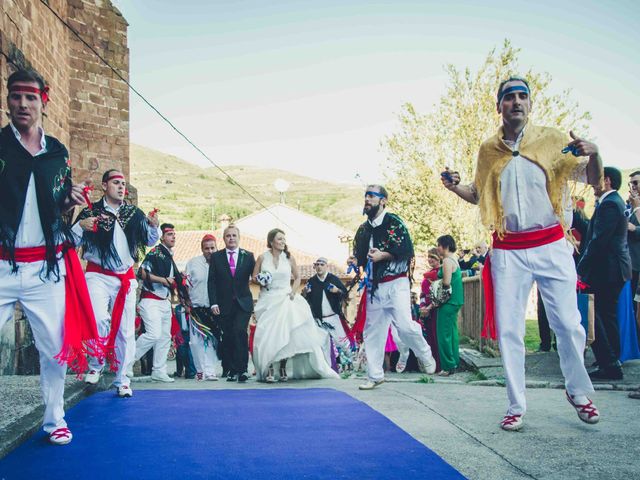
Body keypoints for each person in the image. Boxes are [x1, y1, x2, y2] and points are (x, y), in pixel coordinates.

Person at [442, 76, 602, 431]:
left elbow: (590, 176)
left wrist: (594, 152)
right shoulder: (488, 150)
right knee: (509, 330)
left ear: (530, 104)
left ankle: (577, 391)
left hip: (550, 244)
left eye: (522, 97)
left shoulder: (554, 140)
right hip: (509, 248)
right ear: (498, 106)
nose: (516, 102)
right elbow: (480, 193)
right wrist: (455, 188)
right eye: (509, 97)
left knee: (569, 324)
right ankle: (516, 403)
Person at [0, 69, 103, 445]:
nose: (22, 105)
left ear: (43, 101)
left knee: (54, 350)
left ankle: (54, 419)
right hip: (2, 263)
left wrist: (67, 198)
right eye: (15, 97)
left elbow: (53, 201)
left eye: (30, 98)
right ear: (8, 100)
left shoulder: (57, 152)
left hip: (46, 268)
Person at [74, 169, 160, 397]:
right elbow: (72, 240)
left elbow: (150, 241)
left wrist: (153, 226)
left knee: (125, 330)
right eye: (116, 183)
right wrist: (80, 226)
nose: (121, 187)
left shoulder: (134, 214)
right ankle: (95, 364)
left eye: (123, 183)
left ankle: (122, 379)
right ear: (104, 186)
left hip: (125, 278)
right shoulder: (90, 212)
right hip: (97, 275)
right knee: (98, 319)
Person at [349, 185, 436, 390]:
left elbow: (405, 251)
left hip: (397, 284)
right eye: (365, 196)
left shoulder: (394, 223)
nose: (367, 199)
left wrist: (383, 255)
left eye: (371, 196)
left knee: (404, 326)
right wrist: (355, 259)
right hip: (375, 287)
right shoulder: (363, 229)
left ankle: (424, 352)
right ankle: (375, 375)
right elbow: (362, 256)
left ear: (383, 200)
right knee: (373, 332)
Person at [252, 229, 338, 382]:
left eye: (284, 239)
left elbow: (298, 277)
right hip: (269, 298)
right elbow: (254, 277)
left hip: (286, 297)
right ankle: (270, 367)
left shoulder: (289, 258)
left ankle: (283, 366)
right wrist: (262, 280)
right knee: (269, 334)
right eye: (279, 239)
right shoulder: (262, 258)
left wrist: (293, 292)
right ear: (271, 241)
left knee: (288, 332)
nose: (283, 241)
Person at [578, 167, 632, 380]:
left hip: (608, 270)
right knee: (606, 315)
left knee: (598, 316)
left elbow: (599, 240)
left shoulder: (610, 204)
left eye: (596, 180)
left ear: (607, 181)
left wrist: (581, 269)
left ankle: (609, 363)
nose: (592, 185)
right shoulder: (612, 202)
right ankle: (611, 361)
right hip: (611, 269)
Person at [134, 223, 186, 382]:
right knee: (153, 334)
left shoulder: (168, 256)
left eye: (174, 234)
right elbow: (141, 272)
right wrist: (163, 280)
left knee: (164, 337)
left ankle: (159, 370)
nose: (173, 237)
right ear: (162, 237)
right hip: (150, 300)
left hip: (164, 301)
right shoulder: (156, 252)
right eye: (170, 234)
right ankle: (126, 363)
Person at [208, 225, 255, 383]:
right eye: (228, 236)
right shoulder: (216, 257)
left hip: (243, 303)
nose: (231, 238)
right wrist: (213, 303)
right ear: (224, 239)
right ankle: (231, 369)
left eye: (234, 235)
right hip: (223, 304)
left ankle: (242, 370)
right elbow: (212, 282)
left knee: (239, 332)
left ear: (239, 237)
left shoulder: (248, 256)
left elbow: (255, 277)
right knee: (228, 336)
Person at [303, 256, 354, 371]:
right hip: (319, 320)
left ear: (326, 266)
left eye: (322, 264)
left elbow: (345, 294)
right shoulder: (312, 281)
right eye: (317, 265)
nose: (320, 267)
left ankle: (351, 363)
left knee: (342, 342)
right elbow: (305, 298)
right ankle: (328, 368)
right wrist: (305, 292)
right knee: (323, 344)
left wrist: (337, 291)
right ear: (315, 267)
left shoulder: (333, 279)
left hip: (333, 317)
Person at [424, 235, 463, 376]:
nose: (438, 248)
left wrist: (434, 286)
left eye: (439, 245)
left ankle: (447, 366)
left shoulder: (447, 260)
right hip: (456, 300)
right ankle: (454, 362)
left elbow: (446, 282)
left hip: (448, 301)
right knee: (452, 332)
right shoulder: (455, 259)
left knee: (443, 334)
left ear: (445, 245)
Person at [186, 234, 220, 381]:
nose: (210, 251)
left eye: (212, 248)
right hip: (196, 308)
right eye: (207, 248)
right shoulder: (192, 263)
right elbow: (184, 285)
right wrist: (186, 302)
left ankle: (211, 371)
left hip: (213, 309)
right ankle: (200, 370)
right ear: (202, 249)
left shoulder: (220, 263)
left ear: (216, 247)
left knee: (211, 341)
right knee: (195, 342)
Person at [419, 248, 441, 372]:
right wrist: (422, 307)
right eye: (429, 257)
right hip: (426, 309)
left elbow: (440, 293)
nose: (430, 259)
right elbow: (422, 293)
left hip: (436, 308)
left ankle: (439, 365)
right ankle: (431, 365)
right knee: (429, 338)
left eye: (433, 257)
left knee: (437, 336)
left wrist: (429, 307)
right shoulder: (427, 274)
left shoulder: (440, 273)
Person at [626, 171, 640, 305]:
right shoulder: (628, 204)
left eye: (636, 183)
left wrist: (634, 228)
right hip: (627, 262)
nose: (633, 186)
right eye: (631, 183)